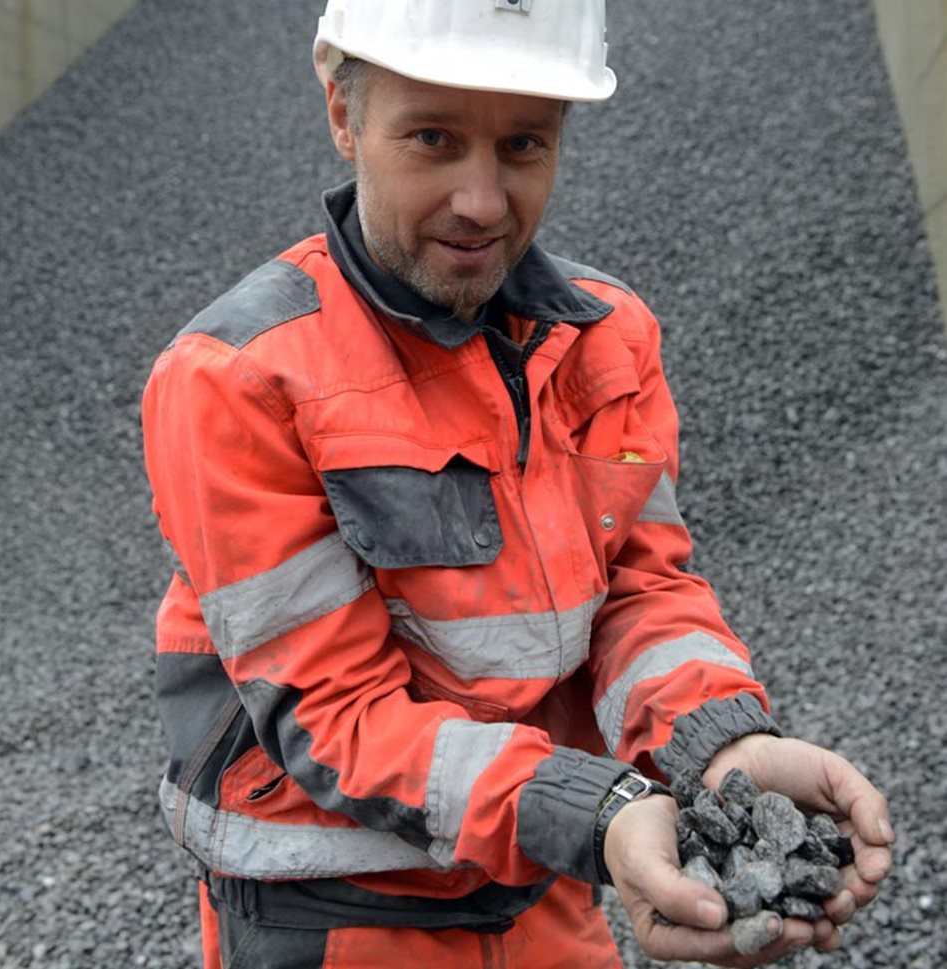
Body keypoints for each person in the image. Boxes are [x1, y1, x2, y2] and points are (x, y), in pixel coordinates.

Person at [141, 2, 894, 966]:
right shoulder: (238, 378)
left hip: (543, 877)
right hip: (338, 918)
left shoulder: (607, 339)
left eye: (524, 145)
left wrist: (720, 748)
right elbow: (336, 717)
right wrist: (604, 811)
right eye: (433, 138)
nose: (484, 201)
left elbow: (641, 590)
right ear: (342, 111)